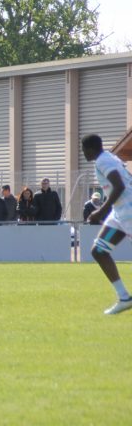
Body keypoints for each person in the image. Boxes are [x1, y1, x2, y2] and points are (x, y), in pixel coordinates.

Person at [81, 134, 132, 314]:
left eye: (83, 149)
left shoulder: (102, 161)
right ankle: (124, 297)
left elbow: (119, 186)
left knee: (99, 251)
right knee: (99, 250)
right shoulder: (109, 157)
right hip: (119, 214)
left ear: (90, 149)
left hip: (129, 212)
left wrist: (100, 211)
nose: (83, 153)